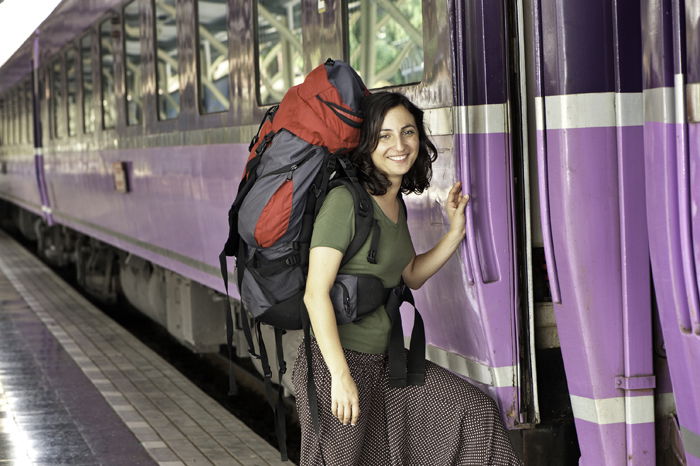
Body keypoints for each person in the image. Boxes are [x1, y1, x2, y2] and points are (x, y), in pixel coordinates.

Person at [292, 92, 522, 465]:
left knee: (475, 414)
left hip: (388, 364)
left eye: (408, 132)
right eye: (384, 136)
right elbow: (315, 295)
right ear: (366, 143)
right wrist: (339, 376)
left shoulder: (393, 201)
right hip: (338, 364)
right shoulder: (345, 201)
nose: (399, 145)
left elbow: (410, 275)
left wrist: (454, 232)